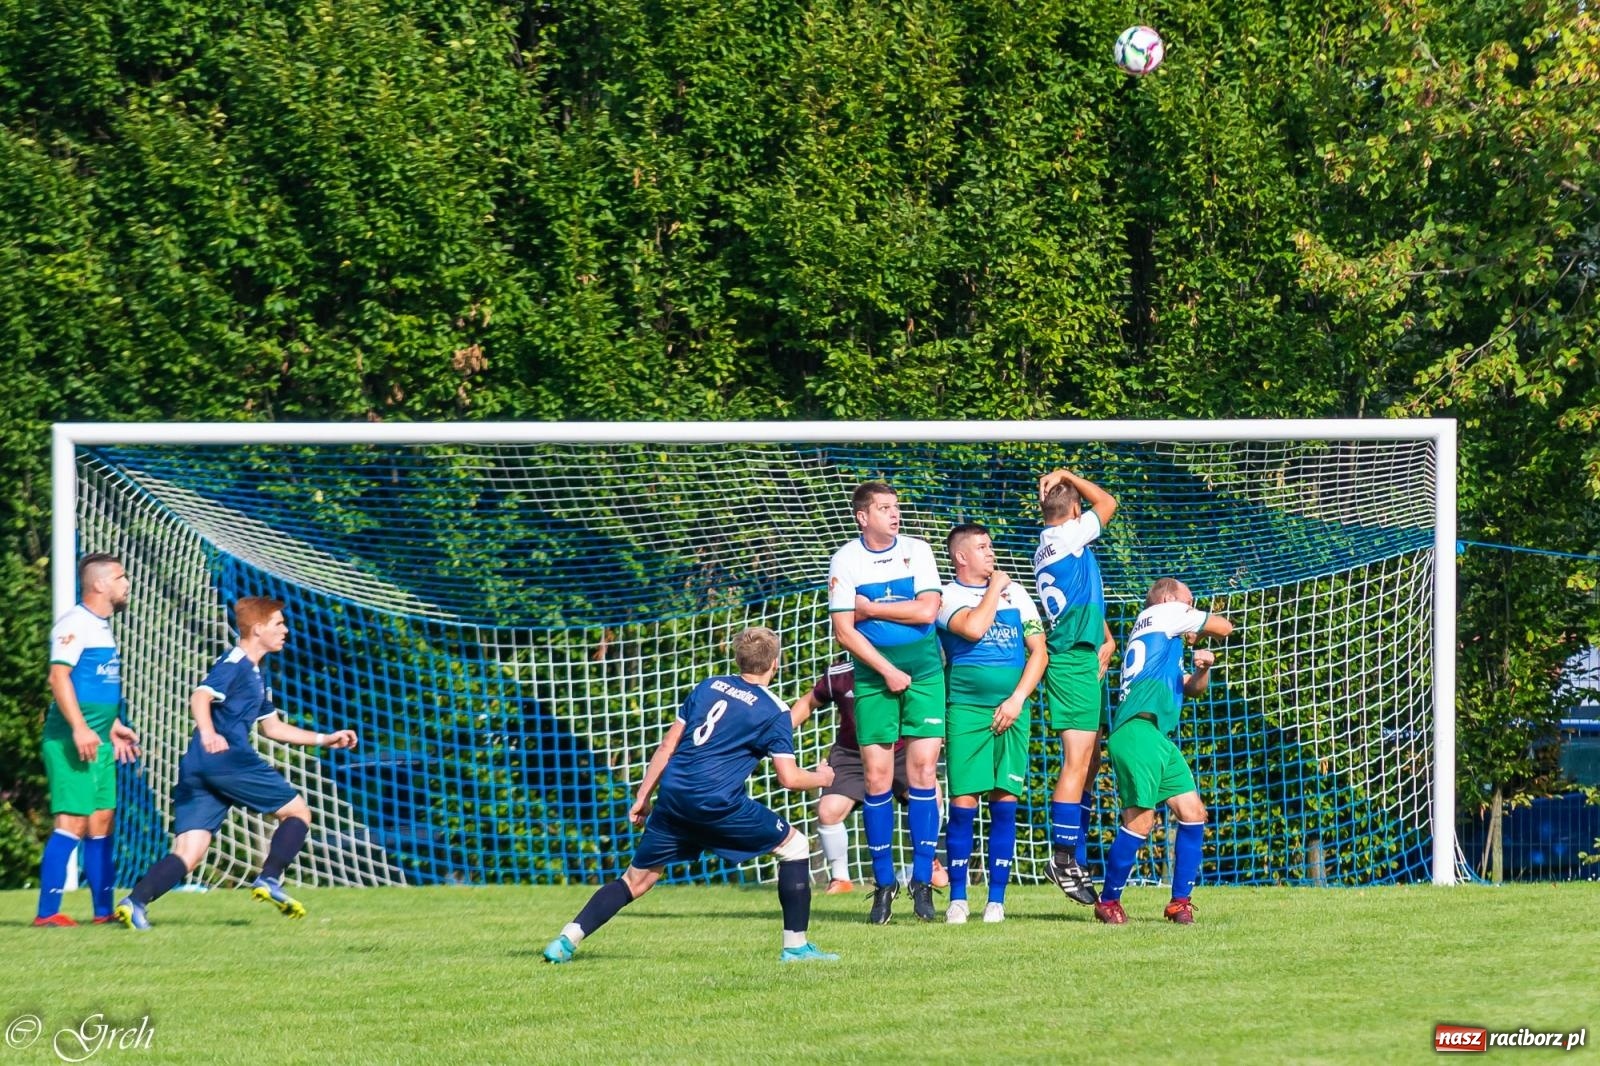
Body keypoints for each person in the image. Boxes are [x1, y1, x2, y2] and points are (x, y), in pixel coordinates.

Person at [543, 627, 838, 965]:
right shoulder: (775, 711)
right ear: (775, 663)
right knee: (795, 846)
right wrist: (822, 777)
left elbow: (668, 745)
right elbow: (788, 778)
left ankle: (566, 940)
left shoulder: (708, 686)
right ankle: (796, 948)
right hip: (716, 804)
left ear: (737, 657)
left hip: (674, 797)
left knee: (635, 880)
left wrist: (643, 796)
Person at [114, 597, 358, 929]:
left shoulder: (256, 673)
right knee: (298, 812)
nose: (285, 630)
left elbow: (272, 728)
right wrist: (209, 731)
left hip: (198, 765)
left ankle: (135, 902)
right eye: (278, 624)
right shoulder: (235, 662)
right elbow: (199, 697)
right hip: (226, 758)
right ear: (258, 629)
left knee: (190, 848)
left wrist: (324, 739)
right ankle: (269, 879)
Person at [827, 481, 946, 924]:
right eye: (883, 508)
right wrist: (888, 670)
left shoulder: (918, 549)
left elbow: (926, 612)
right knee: (876, 779)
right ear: (863, 517)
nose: (894, 514)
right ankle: (883, 885)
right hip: (875, 679)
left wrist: (872, 609)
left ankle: (921, 883)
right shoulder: (845, 560)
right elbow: (844, 631)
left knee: (923, 775)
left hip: (926, 676)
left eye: (896, 507)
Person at [1094, 578, 1233, 925]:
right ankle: (1108, 900)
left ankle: (1179, 903)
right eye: (1190, 601)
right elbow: (1225, 627)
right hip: (1138, 732)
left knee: (1193, 812)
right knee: (1140, 822)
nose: (1193, 606)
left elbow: (1191, 689)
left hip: (1156, 736)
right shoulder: (1167, 613)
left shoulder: (1157, 632)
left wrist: (1204, 669)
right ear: (1172, 599)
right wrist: (1199, 633)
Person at [936, 524, 1047, 924]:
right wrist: (993, 588)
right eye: (982, 547)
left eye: (991, 546)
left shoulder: (1018, 595)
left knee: (1005, 803)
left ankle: (996, 900)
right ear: (961, 556)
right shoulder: (945, 595)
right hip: (966, 709)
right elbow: (973, 628)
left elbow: (1039, 653)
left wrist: (1018, 699)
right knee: (963, 804)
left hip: (1013, 711)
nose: (991, 552)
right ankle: (959, 898)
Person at [35, 553, 141, 927]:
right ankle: (47, 914)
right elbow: (59, 678)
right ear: (99, 584)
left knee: (102, 821)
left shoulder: (101, 626)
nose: (126, 583)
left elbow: (91, 685)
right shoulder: (74, 623)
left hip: (99, 740)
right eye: (120, 576)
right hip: (69, 740)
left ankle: (101, 912)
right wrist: (81, 727)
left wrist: (111, 725)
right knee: (73, 822)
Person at [1032, 468, 1118, 907]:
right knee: (1077, 760)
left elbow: (1083, 595)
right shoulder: (1068, 535)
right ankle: (1063, 858)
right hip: (1070, 661)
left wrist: (1106, 636)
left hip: (1081, 656)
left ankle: (1073, 854)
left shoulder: (1053, 544)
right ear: (1074, 511)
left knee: (1091, 758)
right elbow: (1110, 503)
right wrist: (1067, 473)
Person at [789, 658, 946, 894]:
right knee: (828, 811)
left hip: (901, 751)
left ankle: (928, 861)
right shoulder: (839, 674)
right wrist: (778, 732)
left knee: (933, 795)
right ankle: (840, 878)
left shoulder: (906, 665)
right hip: (852, 755)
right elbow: (809, 701)